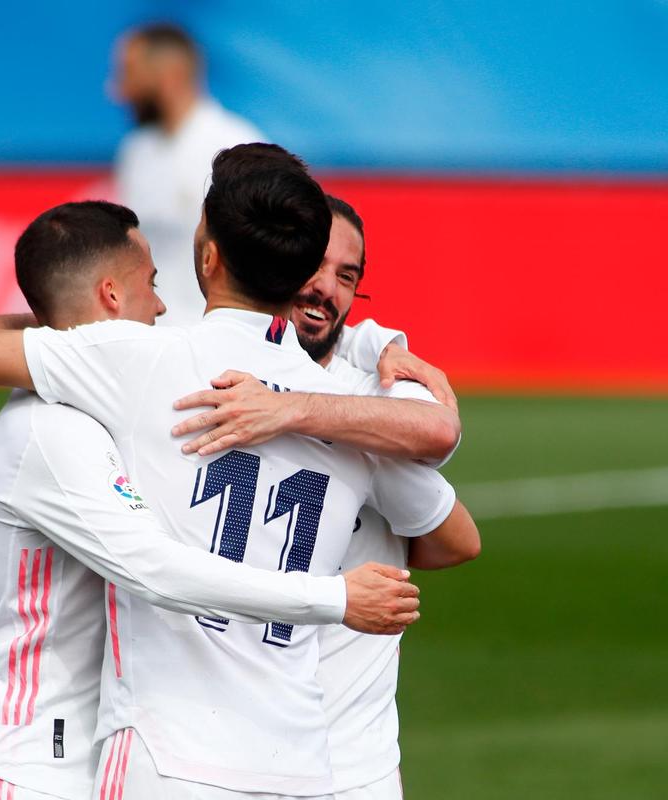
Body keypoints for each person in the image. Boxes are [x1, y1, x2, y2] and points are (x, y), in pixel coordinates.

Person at [0, 143, 476, 798]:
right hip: (301, 764)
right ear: (307, 271)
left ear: (208, 255)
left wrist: (60, 317)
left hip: (167, 756)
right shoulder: (359, 414)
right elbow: (439, 453)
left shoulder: (138, 360)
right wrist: (375, 342)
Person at [171, 195, 481, 799]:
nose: (327, 290)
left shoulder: (379, 398)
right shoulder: (215, 377)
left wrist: (347, 368)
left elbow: (454, 517)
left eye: (348, 276)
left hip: (350, 759)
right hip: (225, 747)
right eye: (315, 265)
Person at [112, 23, 263, 327]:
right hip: (147, 337)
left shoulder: (237, 147)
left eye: (129, 73)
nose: (117, 91)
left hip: (214, 343)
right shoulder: (135, 152)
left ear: (170, 76)